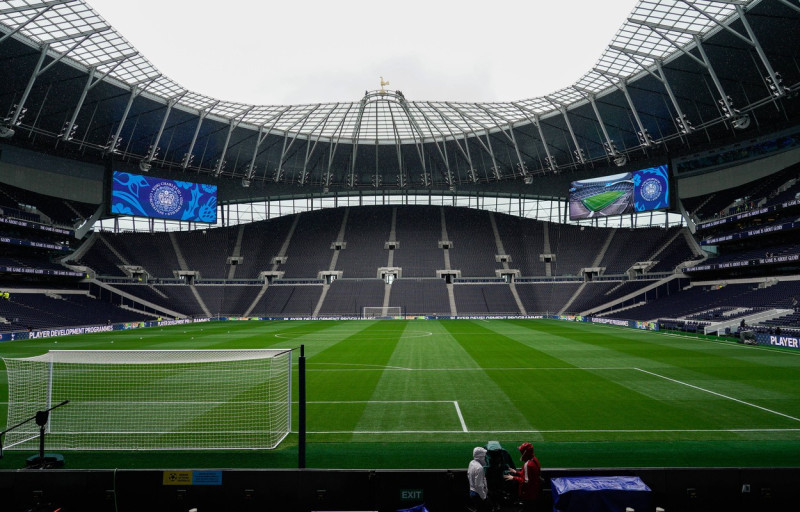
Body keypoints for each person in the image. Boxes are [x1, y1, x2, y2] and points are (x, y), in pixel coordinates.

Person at [504, 442, 542, 511]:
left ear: (525, 452)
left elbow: (526, 482)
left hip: (529, 494)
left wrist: (514, 477)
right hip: (535, 490)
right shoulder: (534, 459)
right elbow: (529, 475)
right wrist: (516, 472)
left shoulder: (528, 465)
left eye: (521, 451)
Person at [468, 446, 489, 512]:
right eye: (484, 456)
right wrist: (484, 497)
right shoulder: (479, 468)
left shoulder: (471, 463)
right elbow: (479, 486)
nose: (485, 457)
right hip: (478, 494)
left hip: (472, 491)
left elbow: (468, 475)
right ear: (480, 457)